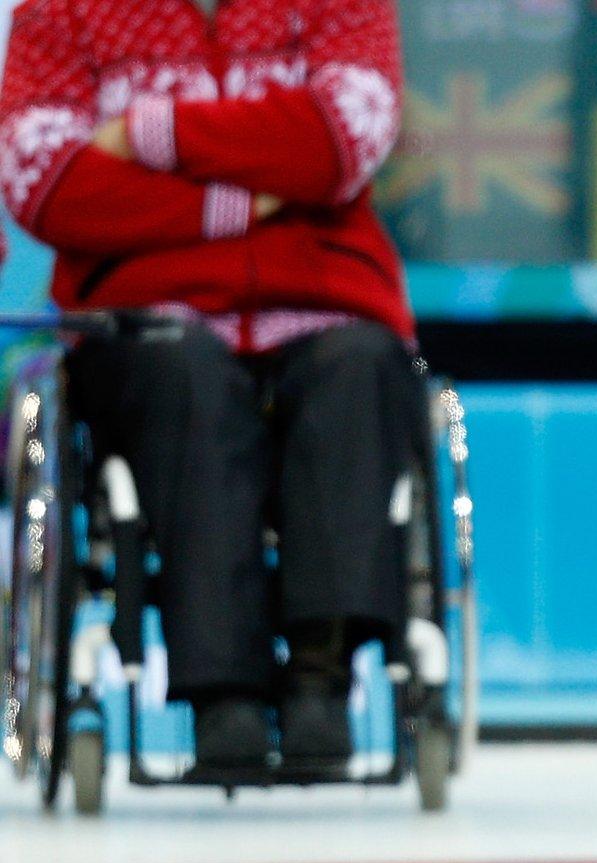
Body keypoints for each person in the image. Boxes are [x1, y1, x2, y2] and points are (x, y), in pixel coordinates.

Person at [0, 0, 417, 783]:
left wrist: (150, 134)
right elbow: (48, 183)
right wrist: (237, 199)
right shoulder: (61, 11)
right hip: (149, 313)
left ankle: (323, 677)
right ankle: (221, 693)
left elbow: (338, 143)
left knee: (358, 366)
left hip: (325, 296)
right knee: (182, 373)